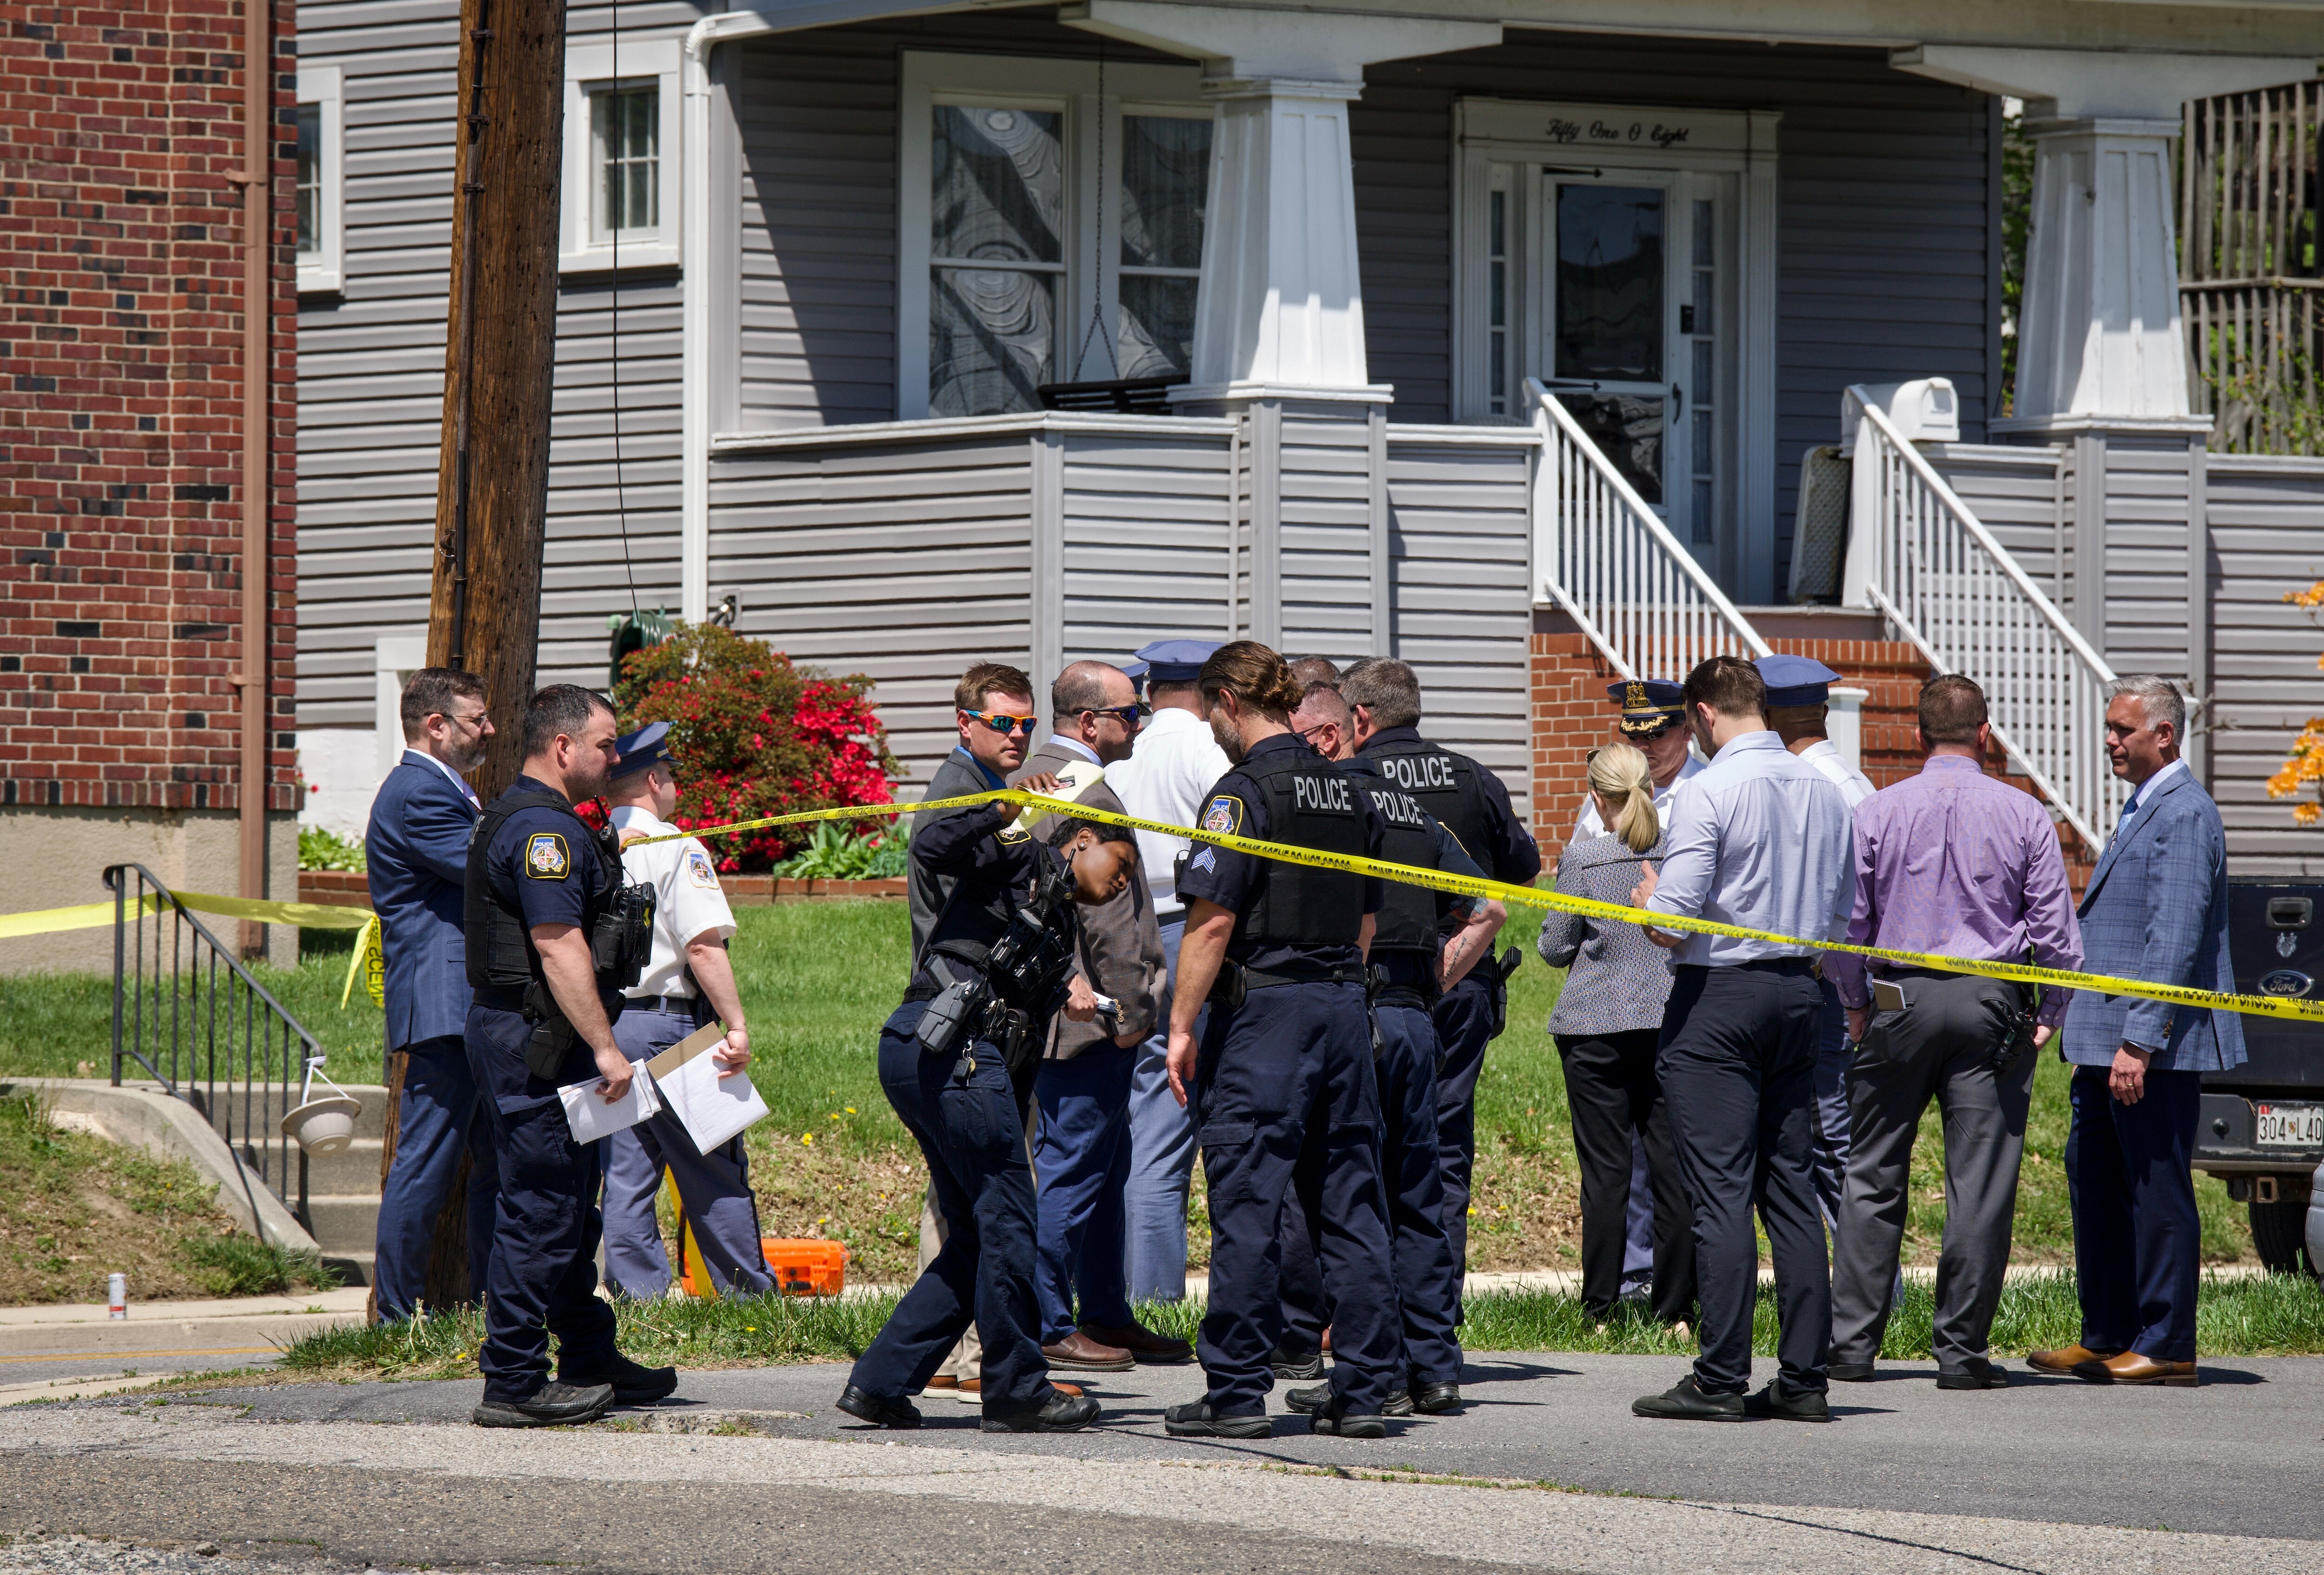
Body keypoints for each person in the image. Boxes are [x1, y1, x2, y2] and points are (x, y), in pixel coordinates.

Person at [835, 778, 1138, 1434]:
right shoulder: (1019, 858)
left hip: (937, 1057)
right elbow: (934, 845)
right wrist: (996, 811)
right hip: (946, 1046)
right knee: (1008, 1222)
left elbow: (1017, 1037)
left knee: (974, 1234)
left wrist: (1067, 989)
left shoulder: (1055, 925)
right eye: (1123, 863)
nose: (1125, 883)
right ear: (1082, 839)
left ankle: (880, 1382)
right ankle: (1017, 1388)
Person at [1159, 642, 1403, 1441]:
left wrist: (1182, 1025)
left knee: (1249, 1201)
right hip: (1342, 1008)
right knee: (1352, 1202)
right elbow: (1367, 921)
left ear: (1229, 700)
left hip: (1266, 1020)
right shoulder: (1349, 787)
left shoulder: (1242, 793)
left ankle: (1234, 1388)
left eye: (1210, 715)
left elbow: (1214, 918)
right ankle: (1364, 1386)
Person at [1825, 675, 2083, 1389]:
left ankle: (1850, 1347)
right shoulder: (2025, 814)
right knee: (1981, 1182)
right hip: (1991, 1004)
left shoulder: (1876, 812)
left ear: (1916, 735)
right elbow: (2059, 934)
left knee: (1873, 1171)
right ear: (1985, 734)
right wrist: (2052, 1012)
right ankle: (1962, 1353)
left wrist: (1854, 1001)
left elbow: (1846, 924)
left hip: (1897, 998)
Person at [1628, 655, 1854, 1424]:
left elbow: (1673, 919)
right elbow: (1841, 915)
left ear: (1703, 715)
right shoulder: (1825, 790)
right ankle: (1804, 1376)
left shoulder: (1710, 789)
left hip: (1720, 994)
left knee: (1721, 1187)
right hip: (1800, 987)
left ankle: (1720, 1375)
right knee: (1789, 1185)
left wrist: (1650, 899)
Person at [1274, 679, 1503, 1418]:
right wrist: (1439, 976)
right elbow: (1490, 905)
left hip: (1357, 1012)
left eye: (1303, 741)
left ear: (1334, 737)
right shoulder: (1413, 811)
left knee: (1354, 1198)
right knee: (1419, 1192)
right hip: (1414, 1018)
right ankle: (1435, 1369)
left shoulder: (1330, 805)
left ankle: (1372, 1374)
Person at [462, 685, 675, 1428]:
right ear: (563, 748)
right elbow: (558, 946)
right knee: (541, 1205)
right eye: (606, 744)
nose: (614, 758)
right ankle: (514, 1380)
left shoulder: (552, 823)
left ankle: (587, 1355)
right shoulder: (540, 834)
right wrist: (608, 1048)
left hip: (544, 1038)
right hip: (538, 1040)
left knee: (570, 1207)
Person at [2029, 675, 2245, 1388]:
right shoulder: (2144, 805)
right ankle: (2109, 1333)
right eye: (2110, 728)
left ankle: (2167, 1342)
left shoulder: (2185, 813)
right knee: (2098, 1187)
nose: (2111, 741)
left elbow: (2175, 938)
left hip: (2149, 1048)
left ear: (2165, 735)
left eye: (2124, 729)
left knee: (2156, 1191)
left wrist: (2140, 1041)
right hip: (2103, 1042)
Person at [1339, 657, 1541, 1317]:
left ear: (1361, 716)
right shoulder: (1473, 776)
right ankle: (1435, 1318)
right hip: (1460, 982)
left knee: (1363, 1143)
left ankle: (1366, 1318)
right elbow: (1520, 870)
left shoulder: (1348, 781)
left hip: (1376, 987)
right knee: (1441, 1150)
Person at [1010, 660, 1182, 1372]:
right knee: (1077, 1171)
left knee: (1106, 1171)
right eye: (1129, 713)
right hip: (1092, 1024)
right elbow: (1110, 926)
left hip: (1054, 1012)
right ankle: (1051, 1319)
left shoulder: (1028, 785)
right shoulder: (1090, 796)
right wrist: (1135, 1013)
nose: (1138, 722)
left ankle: (1105, 1312)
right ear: (1089, 723)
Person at [597, 721, 770, 1301]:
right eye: (669, 776)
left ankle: (635, 1299)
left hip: (614, 1025)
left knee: (626, 1173)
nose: (673, 786)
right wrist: (737, 1025)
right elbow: (701, 945)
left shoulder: (594, 845)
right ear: (653, 779)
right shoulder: (674, 845)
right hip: (672, 1022)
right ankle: (747, 1297)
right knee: (713, 1163)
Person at [908, 661, 1042, 1395]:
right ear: (967, 724)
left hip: (983, 1007)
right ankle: (966, 1357)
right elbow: (933, 847)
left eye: (1026, 724)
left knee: (961, 1185)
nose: (1018, 735)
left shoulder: (989, 790)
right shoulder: (960, 791)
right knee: (980, 1181)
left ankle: (952, 1356)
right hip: (960, 1008)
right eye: (1003, 723)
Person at [1537, 741, 1695, 1330]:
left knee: (1604, 1172)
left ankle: (1599, 1309)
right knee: (1672, 1169)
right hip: (1665, 1021)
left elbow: (1553, 948)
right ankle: (1677, 1309)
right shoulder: (1678, 852)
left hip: (1592, 1028)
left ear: (1598, 798)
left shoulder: (1582, 859)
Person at [367, 668, 502, 1322]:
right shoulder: (420, 792)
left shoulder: (444, 788)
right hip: (444, 1002)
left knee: (496, 1162)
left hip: (466, 1001)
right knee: (426, 1160)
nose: (491, 730)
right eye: (478, 720)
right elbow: (483, 866)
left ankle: (491, 1305)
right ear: (436, 725)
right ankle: (393, 1318)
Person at [1103, 638, 1228, 1304]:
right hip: (1189, 925)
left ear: (1152, 689)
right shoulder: (1207, 749)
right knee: (1169, 1121)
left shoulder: (1128, 750)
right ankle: (1151, 1295)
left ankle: (1115, 1288)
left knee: (1136, 1114)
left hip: (1121, 928)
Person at [1573, 676, 1703, 1303]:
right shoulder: (1603, 799)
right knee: (1623, 1157)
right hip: (1629, 1001)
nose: (1650, 748)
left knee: (1667, 1158)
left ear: (1688, 729)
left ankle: (1663, 1290)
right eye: (1636, 736)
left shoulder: (1705, 795)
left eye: (1662, 735)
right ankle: (1631, 1277)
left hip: (1672, 999)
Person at [1756, 654, 1877, 1245]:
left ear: (1769, 716)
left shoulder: (1814, 785)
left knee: (1827, 1133)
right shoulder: (1850, 780)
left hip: (1829, 981)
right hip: (1838, 979)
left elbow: (1849, 907)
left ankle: (1872, 1291)